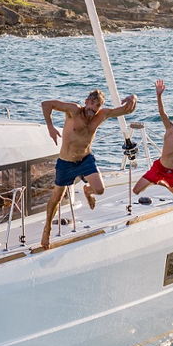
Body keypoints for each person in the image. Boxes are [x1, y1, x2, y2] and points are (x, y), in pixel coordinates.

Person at [40, 88, 137, 247]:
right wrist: (50, 127)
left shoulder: (102, 115)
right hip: (66, 162)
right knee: (56, 197)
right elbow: (46, 104)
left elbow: (127, 110)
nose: (93, 107)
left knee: (100, 190)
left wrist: (133, 97)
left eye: (97, 105)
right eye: (91, 103)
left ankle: (88, 190)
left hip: (85, 160)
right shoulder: (73, 110)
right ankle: (47, 229)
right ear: (86, 102)